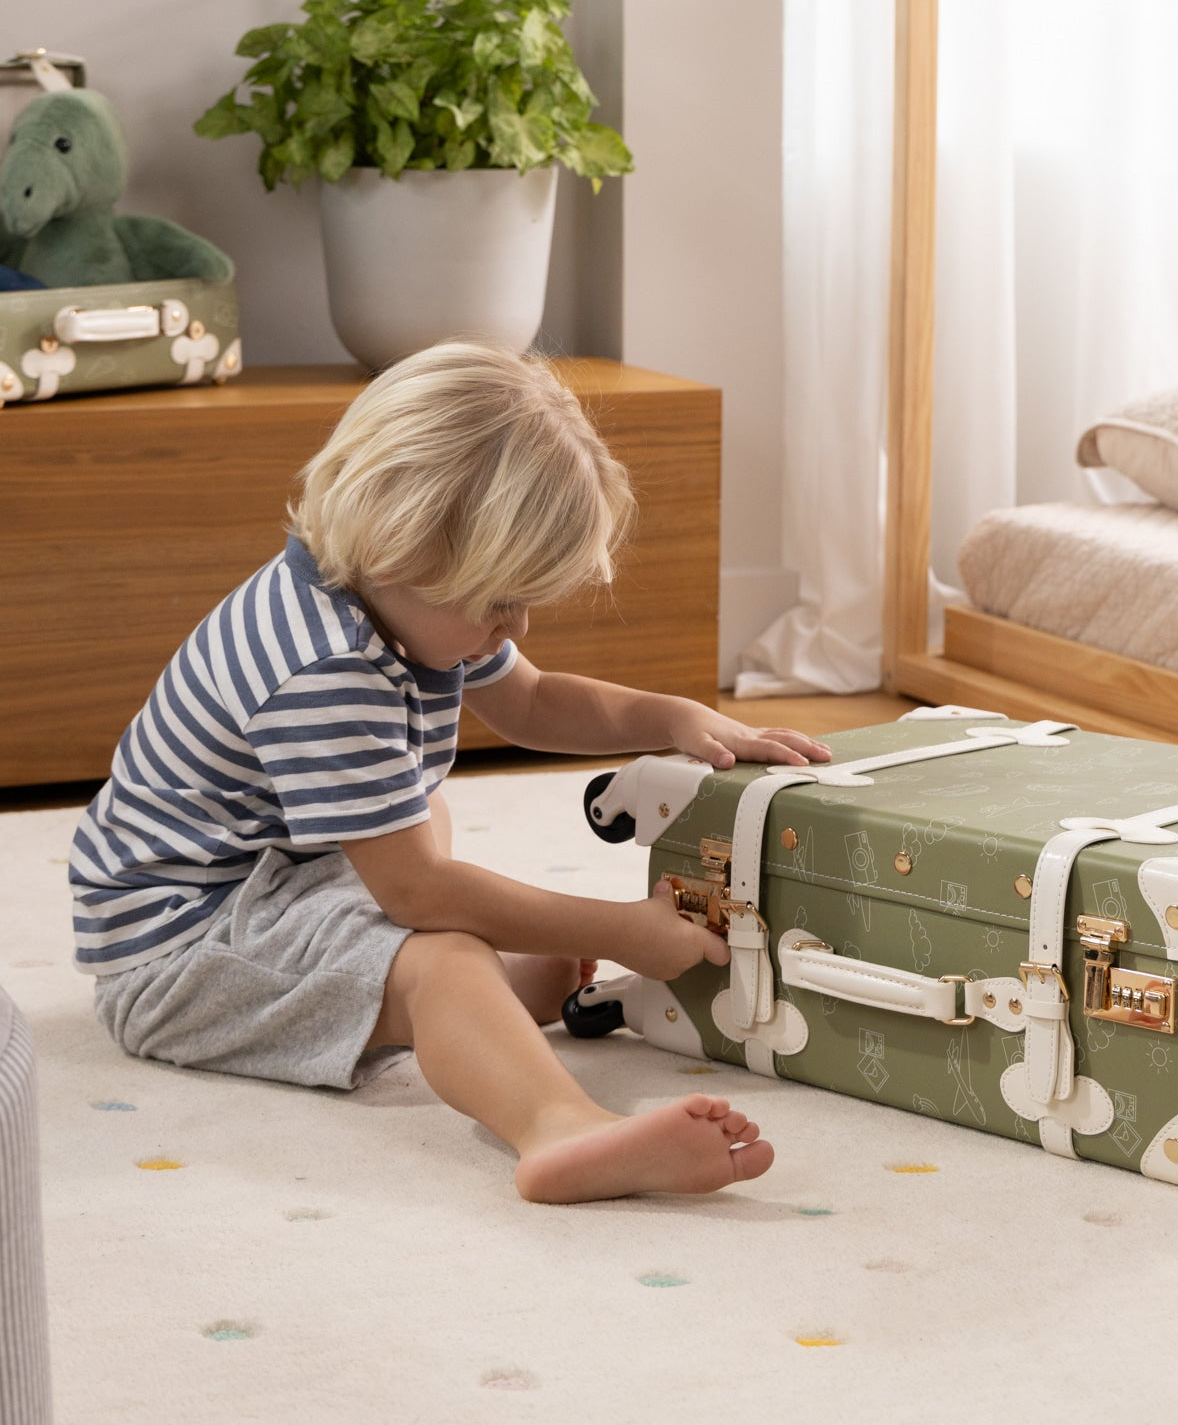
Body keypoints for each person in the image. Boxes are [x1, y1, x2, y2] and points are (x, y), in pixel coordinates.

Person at [70, 341, 830, 1203]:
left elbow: (535, 703)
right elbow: (418, 899)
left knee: (420, 812)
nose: (517, 629)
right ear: (405, 550)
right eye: (501, 600)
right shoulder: (326, 670)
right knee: (441, 949)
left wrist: (672, 717)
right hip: (178, 956)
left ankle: (474, 1004)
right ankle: (558, 1129)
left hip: (272, 882)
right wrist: (621, 929)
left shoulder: (393, 593)